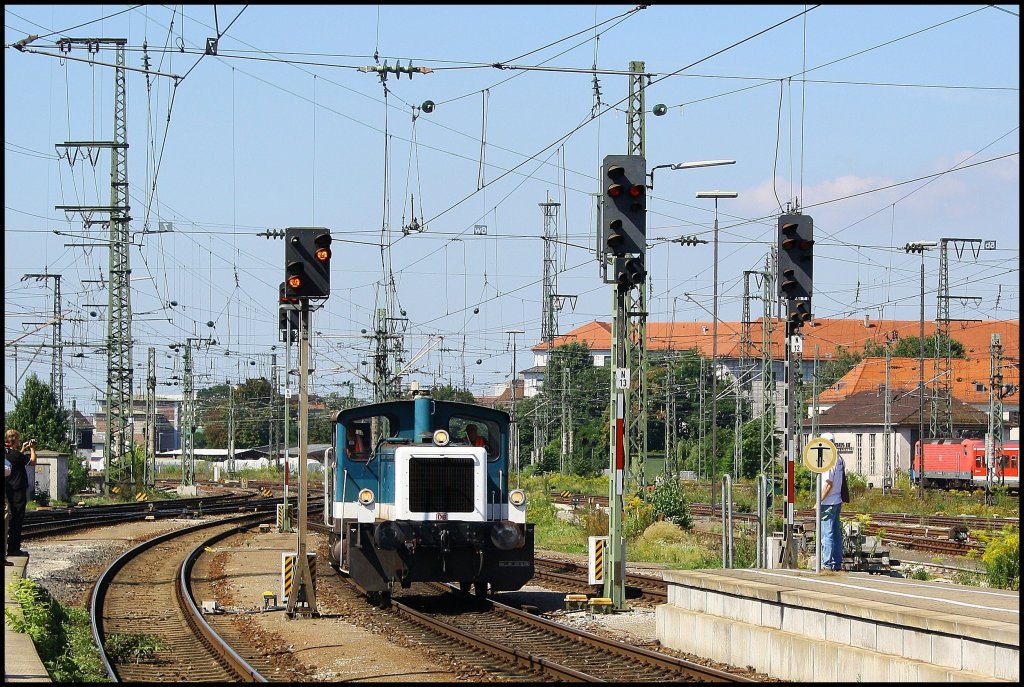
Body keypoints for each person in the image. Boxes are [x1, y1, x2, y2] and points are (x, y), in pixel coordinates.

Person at [5, 428, 37, 560]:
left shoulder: (8, 453)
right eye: (18, 439)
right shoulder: (16, 455)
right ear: (14, 440)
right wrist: (32, 448)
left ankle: (11, 548)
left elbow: (15, 460)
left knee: (9, 520)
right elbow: (33, 462)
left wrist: (22, 450)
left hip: (8, 490)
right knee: (17, 520)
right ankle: (14, 549)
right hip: (17, 491)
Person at [818, 433, 845, 572]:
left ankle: (826, 565)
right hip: (837, 500)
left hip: (828, 502)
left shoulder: (829, 460)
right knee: (835, 532)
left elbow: (828, 483)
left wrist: (819, 500)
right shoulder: (839, 458)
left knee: (826, 533)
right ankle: (837, 562)